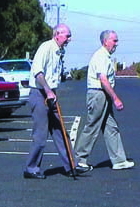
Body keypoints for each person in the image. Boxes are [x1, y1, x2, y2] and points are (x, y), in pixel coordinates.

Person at [23, 24, 91, 179]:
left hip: (50, 93)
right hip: (39, 93)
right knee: (40, 134)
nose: (69, 39)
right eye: (67, 36)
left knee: (60, 131)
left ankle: (71, 166)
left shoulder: (59, 51)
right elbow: (38, 73)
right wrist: (48, 91)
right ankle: (31, 169)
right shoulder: (45, 48)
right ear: (57, 35)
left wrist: (52, 92)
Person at [74, 30, 135, 170]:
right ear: (105, 41)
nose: (116, 44)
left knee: (111, 127)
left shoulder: (106, 57)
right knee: (92, 126)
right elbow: (103, 79)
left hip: (103, 95)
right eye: (114, 41)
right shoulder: (100, 56)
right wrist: (115, 98)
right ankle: (79, 159)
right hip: (98, 94)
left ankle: (119, 160)